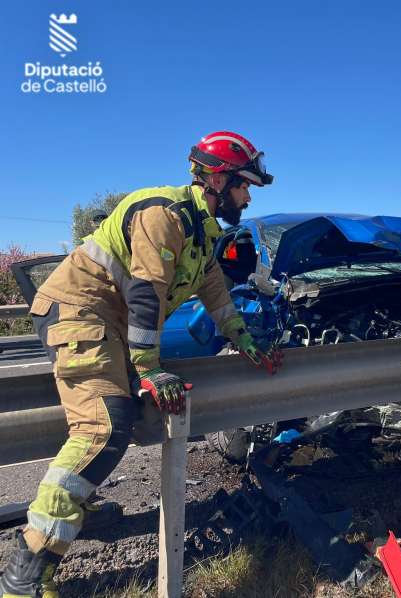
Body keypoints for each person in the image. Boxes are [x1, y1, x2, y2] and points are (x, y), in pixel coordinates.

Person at [0, 131, 274, 598]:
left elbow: (217, 299)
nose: (247, 197)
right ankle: (25, 572)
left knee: (119, 423)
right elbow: (146, 292)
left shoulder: (202, 236)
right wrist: (148, 366)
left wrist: (246, 340)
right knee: (104, 427)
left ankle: (74, 512)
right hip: (78, 311)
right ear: (217, 178)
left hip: (108, 321)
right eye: (244, 185)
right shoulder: (163, 214)